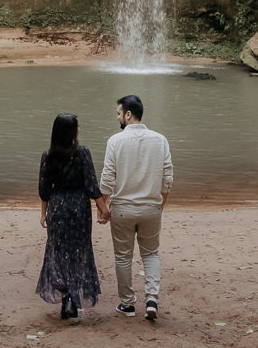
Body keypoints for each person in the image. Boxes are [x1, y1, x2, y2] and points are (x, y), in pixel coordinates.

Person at [99, 95, 173, 321]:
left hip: (123, 208)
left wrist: (103, 208)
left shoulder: (115, 141)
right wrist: (161, 204)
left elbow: (107, 179)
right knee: (151, 254)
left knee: (123, 257)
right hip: (151, 207)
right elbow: (168, 176)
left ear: (128, 114)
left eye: (119, 113)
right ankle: (152, 300)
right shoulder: (160, 140)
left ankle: (128, 304)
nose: (118, 117)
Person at [37, 113, 110, 319]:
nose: (79, 130)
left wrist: (43, 214)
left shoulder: (48, 155)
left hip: (58, 207)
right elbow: (91, 186)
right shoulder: (82, 153)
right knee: (80, 250)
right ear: (71, 131)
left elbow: (44, 189)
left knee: (58, 250)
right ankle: (73, 297)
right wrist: (103, 208)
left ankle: (66, 296)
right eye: (77, 127)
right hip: (79, 207)